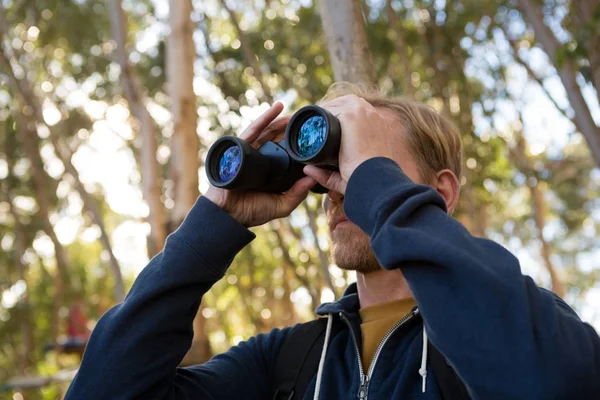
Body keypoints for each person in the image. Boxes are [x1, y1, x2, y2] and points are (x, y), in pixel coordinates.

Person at [65, 83, 600, 400]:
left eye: (360, 167)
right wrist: (213, 222)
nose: (337, 188)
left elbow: (558, 384)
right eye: (332, 170)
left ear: (440, 192)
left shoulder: (518, 324)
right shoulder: (291, 360)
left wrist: (374, 184)